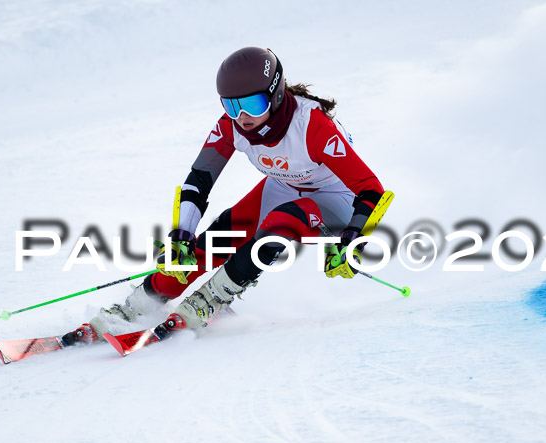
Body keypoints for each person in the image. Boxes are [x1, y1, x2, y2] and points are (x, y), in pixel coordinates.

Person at [65, 46, 385, 344]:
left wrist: (352, 241)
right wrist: (181, 236)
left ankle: (213, 299)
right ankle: (140, 303)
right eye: (231, 105)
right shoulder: (232, 125)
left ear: (275, 96)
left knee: (282, 221)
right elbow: (199, 180)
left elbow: (371, 190)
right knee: (215, 238)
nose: (242, 116)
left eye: (252, 104)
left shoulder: (312, 126)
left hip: (333, 199)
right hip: (284, 186)